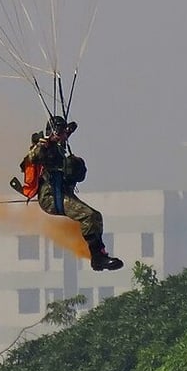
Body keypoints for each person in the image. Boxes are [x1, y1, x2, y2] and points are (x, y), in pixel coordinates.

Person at [15, 116, 123, 271]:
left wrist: (66, 134)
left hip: (63, 193)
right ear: (55, 132)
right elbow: (31, 158)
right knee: (89, 216)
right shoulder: (43, 147)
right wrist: (47, 142)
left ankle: (100, 254)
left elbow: (62, 142)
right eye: (62, 133)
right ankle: (98, 259)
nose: (65, 136)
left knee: (95, 216)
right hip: (52, 198)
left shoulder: (59, 147)